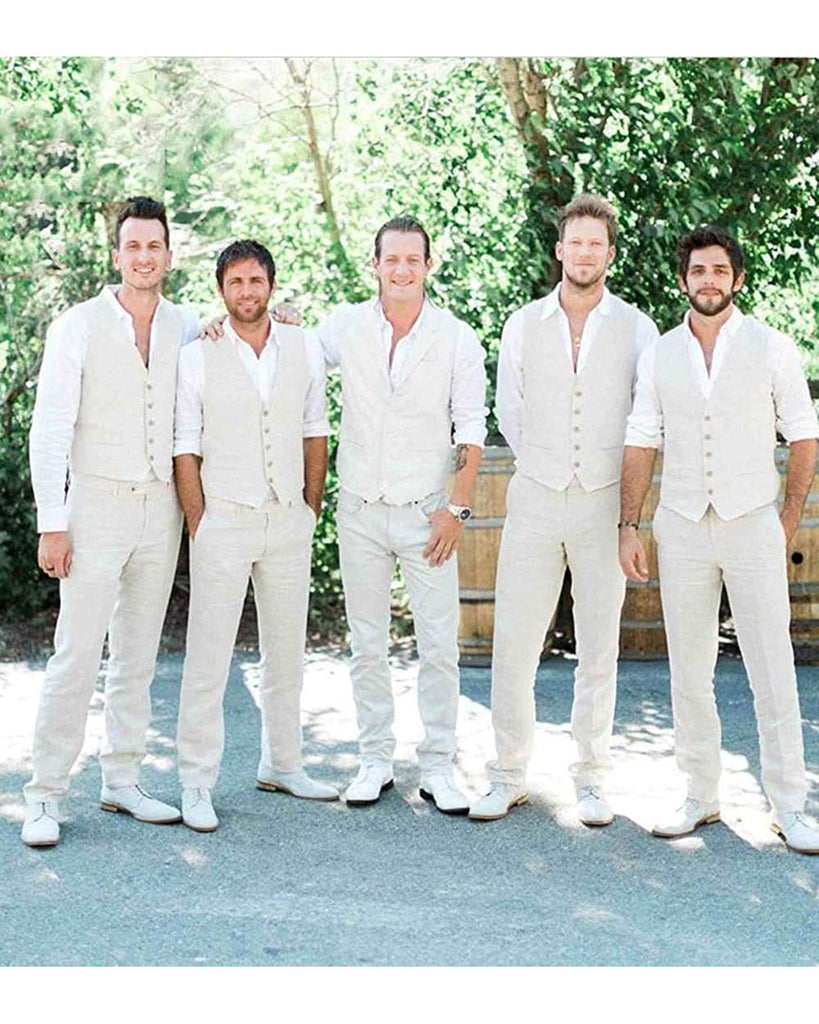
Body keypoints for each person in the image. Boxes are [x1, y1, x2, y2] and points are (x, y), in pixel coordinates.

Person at [619, 225, 819, 854]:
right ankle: (699, 795)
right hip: (681, 523)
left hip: (752, 520)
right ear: (684, 280)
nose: (709, 280)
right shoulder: (659, 353)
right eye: (699, 271)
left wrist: (787, 516)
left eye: (720, 270)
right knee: (689, 668)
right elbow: (641, 438)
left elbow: (804, 433)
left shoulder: (772, 347)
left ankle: (790, 806)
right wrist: (629, 524)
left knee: (772, 666)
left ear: (737, 279)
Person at [470, 194, 659, 825]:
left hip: (604, 503)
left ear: (610, 254)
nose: (584, 252)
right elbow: (510, 410)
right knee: (514, 643)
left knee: (599, 647)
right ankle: (507, 774)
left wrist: (616, 502)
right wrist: (548, 465)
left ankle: (593, 778)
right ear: (559, 249)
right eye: (575, 242)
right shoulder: (523, 324)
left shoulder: (638, 328)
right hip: (536, 497)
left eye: (595, 244)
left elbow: (644, 419)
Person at [22, 197, 200, 847]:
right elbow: (50, 427)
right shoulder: (78, 325)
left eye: (154, 246)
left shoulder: (186, 326)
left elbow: (238, 352)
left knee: (137, 655)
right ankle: (44, 794)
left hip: (160, 507)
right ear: (117, 254)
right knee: (76, 653)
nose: (144, 257)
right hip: (94, 503)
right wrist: (53, 521)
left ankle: (122, 779)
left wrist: (281, 318)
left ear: (168, 255)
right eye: (133, 247)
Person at [318, 217, 488, 813]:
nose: (402, 269)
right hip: (360, 510)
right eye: (392, 259)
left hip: (427, 515)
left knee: (439, 645)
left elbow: (470, 427)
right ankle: (374, 761)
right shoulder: (345, 326)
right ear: (375, 264)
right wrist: (252, 320)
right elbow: (289, 352)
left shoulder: (456, 337)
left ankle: (438, 766)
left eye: (413, 259)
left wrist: (456, 510)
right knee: (367, 644)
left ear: (428, 265)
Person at [173, 239, 337, 832]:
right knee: (208, 657)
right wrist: (200, 521)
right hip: (224, 519)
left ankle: (283, 763)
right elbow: (184, 447)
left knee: (287, 651)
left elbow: (315, 428)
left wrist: (310, 506)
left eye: (256, 280)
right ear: (221, 290)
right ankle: (196, 781)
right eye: (236, 282)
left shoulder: (303, 344)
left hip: (288, 518)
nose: (247, 291)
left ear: (271, 284)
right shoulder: (197, 355)